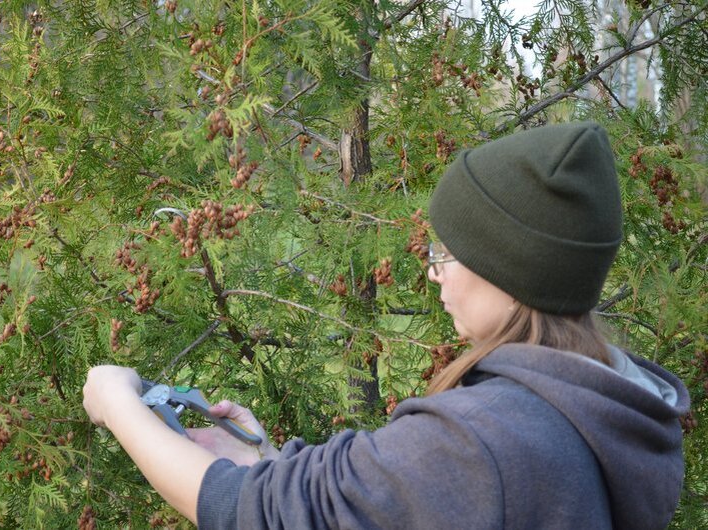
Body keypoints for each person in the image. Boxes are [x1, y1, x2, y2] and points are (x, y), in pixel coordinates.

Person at [83, 121, 689, 529]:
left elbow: (253, 514)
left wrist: (118, 404)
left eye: (447, 254)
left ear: (511, 271)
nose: (434, 275)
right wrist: (263, 455)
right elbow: (388, 495)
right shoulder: (603, 408)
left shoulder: (487, 440)